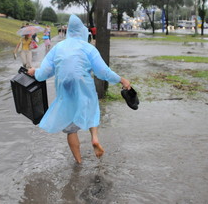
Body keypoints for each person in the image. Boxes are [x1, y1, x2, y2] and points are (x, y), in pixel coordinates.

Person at [27, 15, 131, 164]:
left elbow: (45, 73)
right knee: (91, 107)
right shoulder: (88, 48)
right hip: (83, 83)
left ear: (68, 31)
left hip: (64, 87)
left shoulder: (58, 48)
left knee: (70, 127)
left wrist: (34, 71)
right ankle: (94, 138)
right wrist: (121, 79)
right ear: (82, 31)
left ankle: (79, 161)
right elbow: (103, 72)